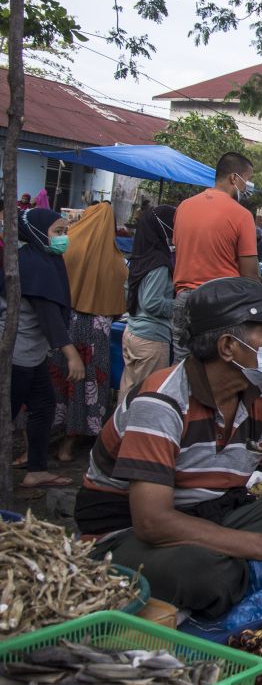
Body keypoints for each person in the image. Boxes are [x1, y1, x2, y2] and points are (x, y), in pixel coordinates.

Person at [73, 278, 262, 619]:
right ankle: (237, 562)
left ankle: (237, 558)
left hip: (209, 512)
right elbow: (152, 522)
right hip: (129, 532)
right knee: (208, 575)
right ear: (227, 347)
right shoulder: (162, 402)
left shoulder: (260, 392)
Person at [1, 209, 84, 488]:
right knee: (6, 413)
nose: (63, 238)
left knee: (44, 405)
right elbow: (48, 315)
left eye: (64, 232)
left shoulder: (41, 259)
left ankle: (36, 469)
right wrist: (71, 355)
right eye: (57, 232)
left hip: (31, 353)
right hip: (17, 353)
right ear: (36, 232)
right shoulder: (35, 265)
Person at [49, 202, 128, 463]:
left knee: (56, 380)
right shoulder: (117, 262)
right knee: (88, 386)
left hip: (64, 324)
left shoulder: (68, 245)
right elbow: (119, 307)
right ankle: (69, 447)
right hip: (98, 331)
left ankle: (42, 439)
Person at [171, 152, 259, 358]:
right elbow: (250, 276)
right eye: (247, 180)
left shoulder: (184, 207)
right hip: (220, 303)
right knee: (216, 371)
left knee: (182, 369)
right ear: (234, 178)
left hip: (183, 301)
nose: (247, 187)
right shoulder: (242, 215)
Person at [120, 204, 177, 401]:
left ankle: (120, 430)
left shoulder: (139, 257)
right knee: (145, 397)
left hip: (132, 332)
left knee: (129, 392)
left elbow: (128, 289)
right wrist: (181, 305)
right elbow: (152, 303)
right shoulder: (159, 263)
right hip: (151, 340)